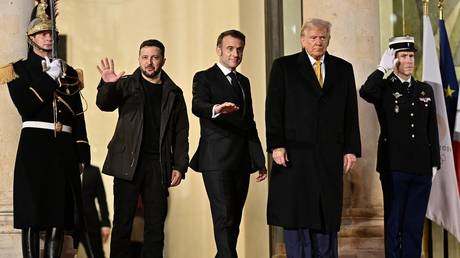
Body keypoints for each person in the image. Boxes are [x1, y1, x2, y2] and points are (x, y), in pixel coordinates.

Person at [265, 18, 361, 258]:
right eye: (313, 37)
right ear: (303, 39)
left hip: (329, 155)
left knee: (325, 216)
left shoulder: (343, 68)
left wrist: (351, 148)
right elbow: (274, 110)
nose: (318, 42)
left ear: (329, 39)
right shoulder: (283, 67)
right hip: (294, 157)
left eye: (323, 37)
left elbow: (350, 113)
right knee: (297, 216)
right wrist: (276, 145)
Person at [1, 0, 91, 257]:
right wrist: (48, 78)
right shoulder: (18, 70)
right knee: (31, 214)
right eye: (42, 33)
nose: (48, 37)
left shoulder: (70, 72)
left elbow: (77, 117)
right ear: (31, 38)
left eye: (51, 33)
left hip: (63, 148)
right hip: (34, 147)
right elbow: (26, 106)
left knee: (58, 216)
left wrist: (82, 153)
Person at [96, 39, 189, 258]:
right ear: (139, 59)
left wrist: (180, 166)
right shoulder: (126, 84)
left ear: (163, 60)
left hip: (158, 165)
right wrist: (108, 84)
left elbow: (181, 133)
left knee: (155, 229)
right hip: (127, 163)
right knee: (122, 225)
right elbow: (104, 104)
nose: (149, 62)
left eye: (155, 57)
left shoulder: (174, 92)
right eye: (145, 57)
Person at [359, 36, 440, 258]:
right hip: (394, 166)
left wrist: (434, 163)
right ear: (394, 59)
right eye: (403, 56)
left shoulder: (424, 90)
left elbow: (431, 128)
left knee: (414, 225)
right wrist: (381, 68)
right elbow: (365, 92)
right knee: (394, 223)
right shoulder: (383, 88)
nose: (409, 61)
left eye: (411, 56)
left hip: (422, 167)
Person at [190, 29, 267, 257]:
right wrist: (216, 109)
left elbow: (249, 122)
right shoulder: (204, 77)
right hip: (216, 159)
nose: (235, 54)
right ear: (219, 50)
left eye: (239, 49)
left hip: (241, 160)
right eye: (230, 48)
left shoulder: (244, 82)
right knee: (223, 217)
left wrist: (259, 159)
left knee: (233, 219)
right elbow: (197, 105)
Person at [81, 165, 111, 258]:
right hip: (68, 222)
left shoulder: (93, 171)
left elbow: (102, 199)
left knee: (97, 254)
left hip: (90, 222)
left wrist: (105, 223)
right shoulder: (66, 168)